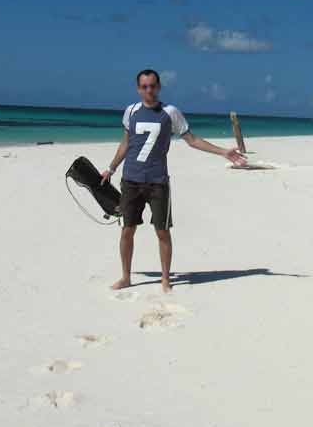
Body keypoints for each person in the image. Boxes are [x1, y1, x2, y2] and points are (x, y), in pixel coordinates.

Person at [101, 69, 247, 292]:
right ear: (138, 89)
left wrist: (223, 152)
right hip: (130, 180)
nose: (148, 90)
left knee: (162, 231)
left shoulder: (170, 113)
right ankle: (126, 277)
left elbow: (192, 139)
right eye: (144, 86)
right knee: (126, 230)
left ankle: (166, 280)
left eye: (152, 86)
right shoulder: (131, 111)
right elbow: (125, 143)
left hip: (158, 182)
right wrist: (111, 168)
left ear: (159, 87)